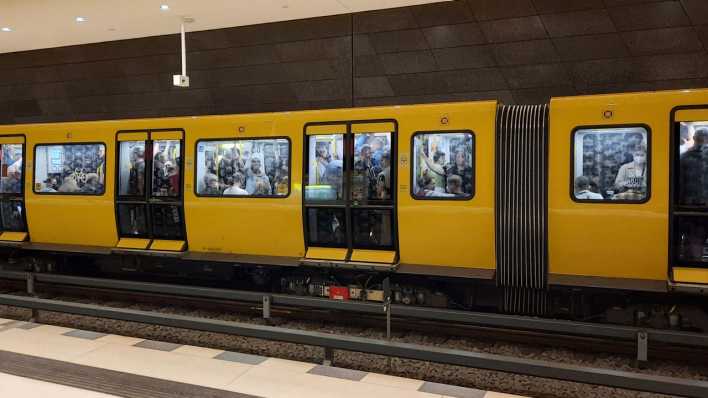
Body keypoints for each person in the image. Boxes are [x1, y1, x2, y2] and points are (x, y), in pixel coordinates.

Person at [679, 128, 708, 261]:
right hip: (699, 208)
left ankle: (693, 267)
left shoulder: (684, 158)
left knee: (694, 244)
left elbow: (679, 185)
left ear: (695, 139)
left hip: (691, 209)